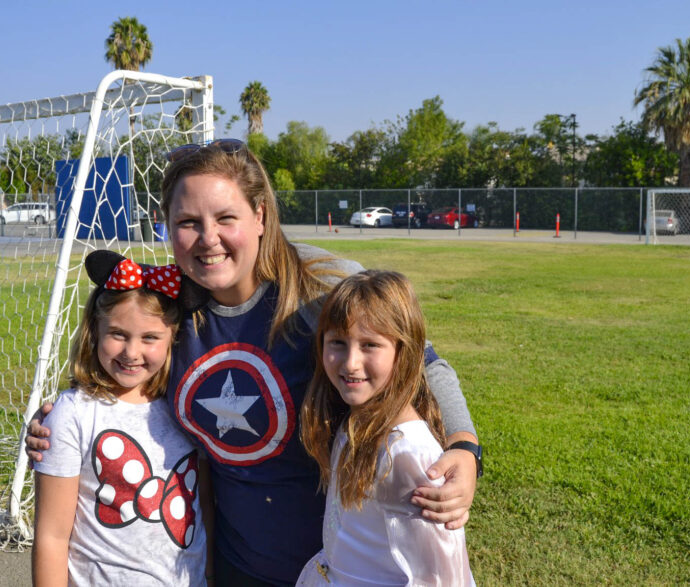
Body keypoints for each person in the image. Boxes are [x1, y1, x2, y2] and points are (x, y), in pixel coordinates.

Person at [27, 139, 481, 586]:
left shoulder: (323, 286)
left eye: (226, 218)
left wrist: (463, 447)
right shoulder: (173, 308)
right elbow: (130, 374)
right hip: (229, 562)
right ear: (167, 226)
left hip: (337, 567)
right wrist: (64, 420)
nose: (209, 239)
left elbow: (424, 364)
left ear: (260, 215)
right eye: (187, 222)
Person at [31, 251, 210, 586]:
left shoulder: (187, 407)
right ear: (94, 331)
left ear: (173, 338)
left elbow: (204, 512)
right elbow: (51, 537)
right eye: (118, 334)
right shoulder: (72, 414)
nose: (131, 352)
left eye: (150, 338)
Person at [298, 270, 475, 585]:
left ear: (403, 352)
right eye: (337, 342)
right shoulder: (355, 421)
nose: (350, 362)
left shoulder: (410, 458)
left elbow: (443, 577)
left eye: (369, 345)